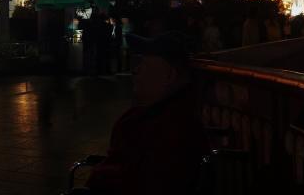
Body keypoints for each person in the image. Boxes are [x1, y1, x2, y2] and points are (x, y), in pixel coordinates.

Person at [89, 17, 212, 195]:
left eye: (145, 65)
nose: (136, 71)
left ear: (169, 75)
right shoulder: (160, 115)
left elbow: (146, 182)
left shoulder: (172, 129)